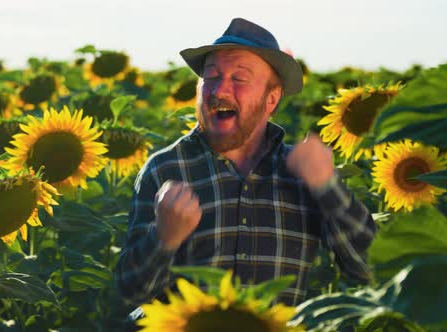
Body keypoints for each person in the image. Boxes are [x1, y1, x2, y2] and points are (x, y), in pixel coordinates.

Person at [115, 17, 376, 311]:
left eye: (239, 79)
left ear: (271, 99)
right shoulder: (164, 170)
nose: (220, 91)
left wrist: (328, 189)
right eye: (211, 77)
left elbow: (370, 269)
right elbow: (128, 296)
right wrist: (163, 239)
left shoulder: (302, 174)